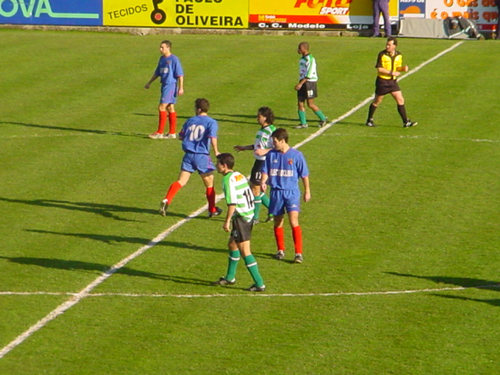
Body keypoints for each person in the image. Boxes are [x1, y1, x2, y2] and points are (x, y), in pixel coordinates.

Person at [159, 98, 222, 217]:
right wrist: (216, 151)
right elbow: (212, 137)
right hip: (201, 156)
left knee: (181, 181)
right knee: (209, 183)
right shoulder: (211, 122)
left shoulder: (190, 121)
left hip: (188, 155)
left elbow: (181, 136)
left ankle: (167, 199)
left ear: (198, 109)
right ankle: (212, 210)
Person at [213, 153, 266, 292]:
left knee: (245, 251)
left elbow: (232, 203)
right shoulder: (239, 175)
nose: (215, 165)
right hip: (248, 213)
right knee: (232, 244)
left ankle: (259, 283)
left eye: (217, 163)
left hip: (242, 217)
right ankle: (230, 277)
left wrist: (227, 221)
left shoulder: (227, 180)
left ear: (224, 166)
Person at [261, 128, 311, 263]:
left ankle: (298, 253)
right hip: (276, 192)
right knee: (278, 221)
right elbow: (265, 170)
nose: (273, 144)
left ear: (282, 141)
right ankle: (280, 250)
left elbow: (304, 175)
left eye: (275, 141)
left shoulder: (296, 155)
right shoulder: (271, 155)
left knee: (293, 221)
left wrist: (307, 191)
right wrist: (263, 181)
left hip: (291, 193)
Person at [234, 106, 276, 224]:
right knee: (255, 188)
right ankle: (273, 211)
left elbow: (275, 147)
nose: (257, 118)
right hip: (258, 161)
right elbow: (257, 146)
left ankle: (255, 217)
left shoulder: (271, 131)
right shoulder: (261, 131)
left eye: (259, 116)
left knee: (255, 189)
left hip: (264, 162)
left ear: (265, 117)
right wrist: (245, 148)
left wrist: (264, 152)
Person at [366, 37, 417, 128]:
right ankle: (369, 120)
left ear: (395, 46)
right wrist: (391, 72)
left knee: (400, 99)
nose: (387, 46)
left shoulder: (399, 55)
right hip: (382, 82)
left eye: (389, 45)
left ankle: (406, 122)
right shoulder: (382, 54)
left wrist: (402, 69)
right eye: (387, 44)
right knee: (377, 101)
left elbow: (397, 67)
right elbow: (379, 69)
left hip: (392, 82)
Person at [145, 40, 184, 139]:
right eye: (160, 47)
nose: (160, 49)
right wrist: (149, 82)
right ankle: (171, 133)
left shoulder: (174, 59)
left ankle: (160, 132)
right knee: (170, 108)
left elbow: (180, 74)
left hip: (170, 86)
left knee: (161, 107)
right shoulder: (162, 59)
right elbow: (157, 72)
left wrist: (181, 87)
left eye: (162, 47)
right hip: (164, 85)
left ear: (168, 48)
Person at [295, 42, 328, 129]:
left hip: (309, 83)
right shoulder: (303, 58)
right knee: (300, 103)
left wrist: (300, 84)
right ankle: (303, 123)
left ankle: (323, 118)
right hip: (302, 82)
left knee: (310, 104)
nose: (298, 50)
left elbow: (309, 74)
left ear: (305, 49)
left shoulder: (310, 59)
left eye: (300, 48)